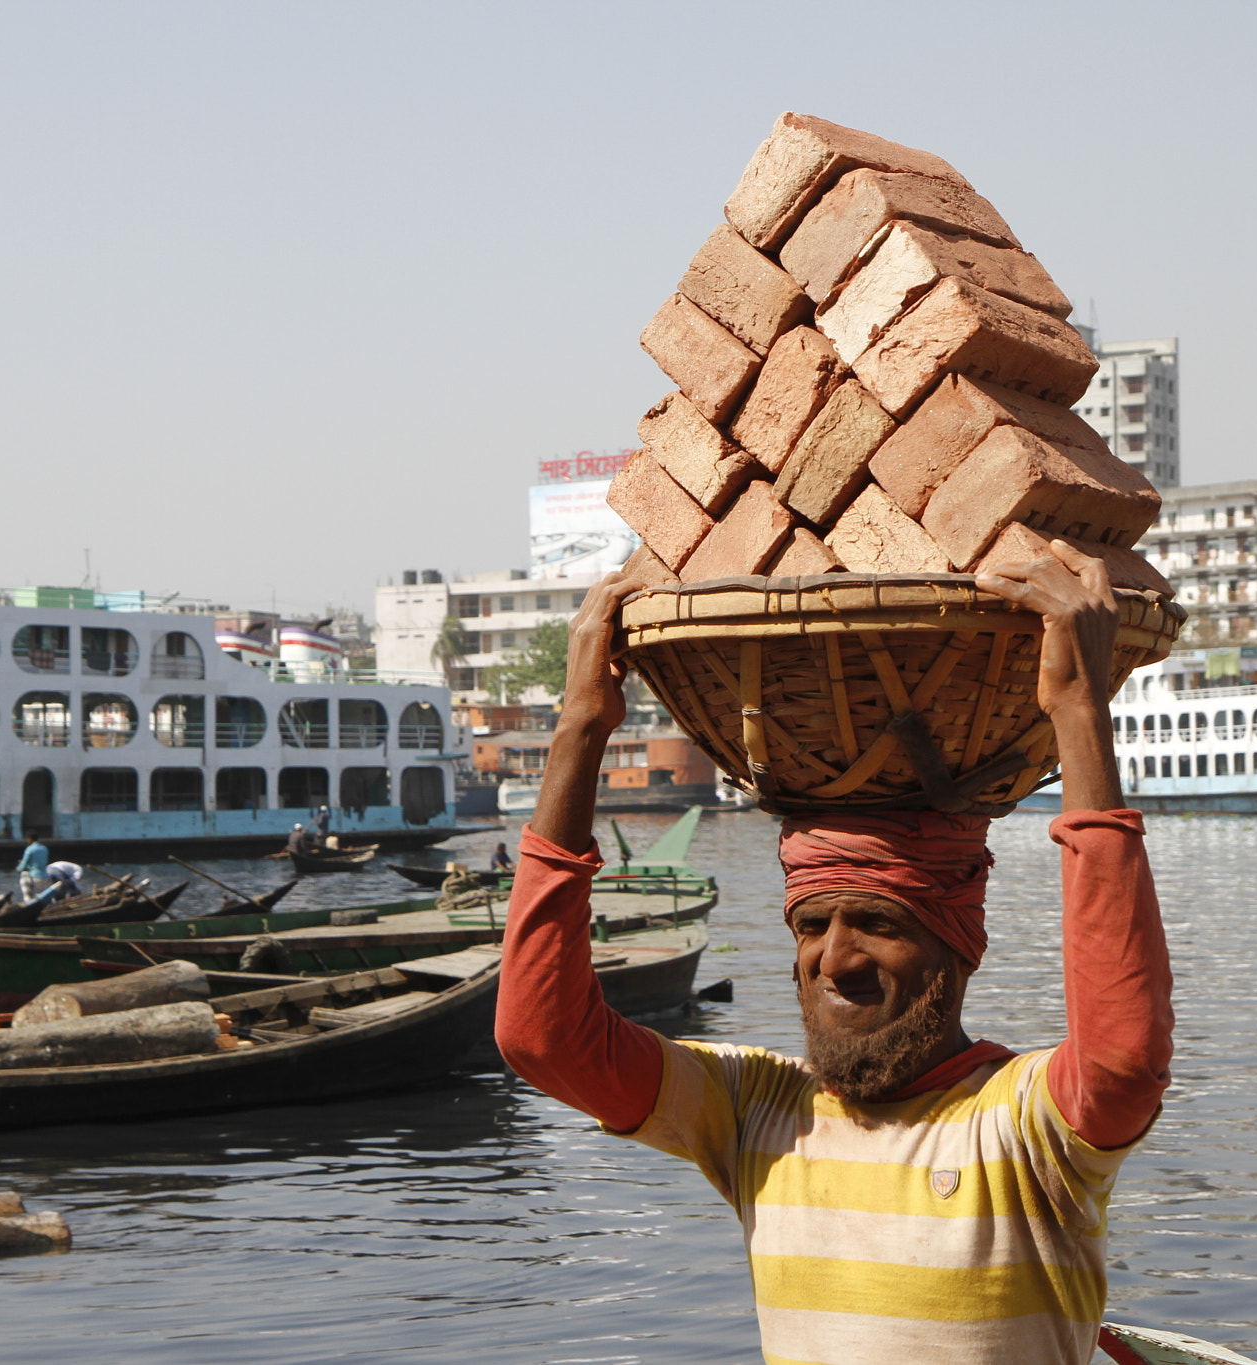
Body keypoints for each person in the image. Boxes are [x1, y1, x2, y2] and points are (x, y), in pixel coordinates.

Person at [495, 545, 1173, 1364]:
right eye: (811, 925)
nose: (835, 958)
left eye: (877, 923)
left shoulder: (1028, 1125)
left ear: (960, 945)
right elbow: (543, 1038)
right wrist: (579, 728)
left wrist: (1077, 710)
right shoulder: (754, 1113)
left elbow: (1125, 1058)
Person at [16, 835, 49, 903]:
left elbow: (24, 863)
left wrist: (18, 869)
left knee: (27, 890)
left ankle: (28, 904)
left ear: (30, 839)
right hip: (45, 876)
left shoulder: (29, 849)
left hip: (35, 876)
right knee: (43, 896)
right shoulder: (44, 848)